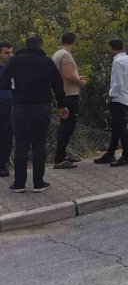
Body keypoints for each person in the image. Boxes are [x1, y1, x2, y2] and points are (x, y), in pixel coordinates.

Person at [0, 35, 68, 193]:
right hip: (42, 107)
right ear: (40, 45)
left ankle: (19, 184)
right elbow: (58, 84)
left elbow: (3, 83)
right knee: (39, 144)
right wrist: (62, 105)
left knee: (21, 145)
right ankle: (38, 183)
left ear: (25, 45)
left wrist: (17, 89)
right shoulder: (47, 62)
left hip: (20, 108)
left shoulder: (15, 61)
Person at [95, 39, 128, 166]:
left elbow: (116, 82)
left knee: (121, 127)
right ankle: (110, 153)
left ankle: (127, 155)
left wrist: (110, 96)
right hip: (126, 96)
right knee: (117, 127)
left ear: (112, 48)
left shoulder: (117, 62)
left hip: (118, 98)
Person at [52, 32, 87, 169]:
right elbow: (67, 75)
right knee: (68, 126)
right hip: (69, 95)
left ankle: (62, 154)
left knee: (64, 126)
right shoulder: (66, 55)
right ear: (73, 42)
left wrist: (77, 77)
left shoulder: (57, 54)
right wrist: (80, 82)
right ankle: (59, 159)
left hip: (62, 94)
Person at [0, 42, 14, 178]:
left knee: (7, 136)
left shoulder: (14, 68)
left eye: (11, 52)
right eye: (6, 53)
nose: (10, 55)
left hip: (9, 106)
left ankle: (2, 164)